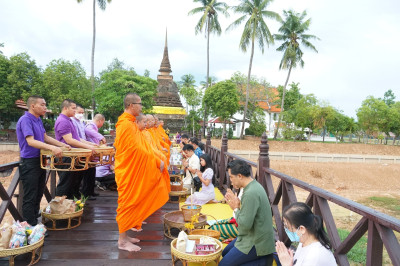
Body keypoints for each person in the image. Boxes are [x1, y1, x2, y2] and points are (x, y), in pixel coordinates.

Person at [114, 93, 170, 252]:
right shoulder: (125, 124)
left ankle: (125, 236)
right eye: (139, 104)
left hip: (134, 169)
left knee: (134, 201)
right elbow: (136, 150)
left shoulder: (131, 123)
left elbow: (144, 147)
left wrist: (156, 158)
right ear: (131, 105)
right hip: (128, 171)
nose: (141, 107)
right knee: (127, 203)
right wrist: (155, 160)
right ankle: (122, 241)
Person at [16, 95, 70, 226]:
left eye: (45, 105)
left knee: (39, 193)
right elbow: (30, 141)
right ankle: (31, 226)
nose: (45, 107)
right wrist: (52, 148)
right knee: (30, 196)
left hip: (40, 160)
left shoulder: (38, 120)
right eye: (42, 104)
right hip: (29, 162)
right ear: (33, 106)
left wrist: (60, 145)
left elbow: (45, 137)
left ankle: (36, 222)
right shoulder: (25, 120)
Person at [220, 159, 275, 266]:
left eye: (231, 177)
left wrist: (235, 209)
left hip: (256, 241)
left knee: (223, 264)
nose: (230, 180)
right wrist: (238, 205)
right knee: (225, 253)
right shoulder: (253, 185)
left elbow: (244, 225)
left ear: (240, 176)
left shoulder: (250, 192)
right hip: (251, 235)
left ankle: (263, 260)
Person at [54, 99, 97, 199]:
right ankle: (60, 209)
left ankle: (72, 207)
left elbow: (77, 139)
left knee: (74, 184)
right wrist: (88, 147)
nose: (75, 111)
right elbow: (69, 140)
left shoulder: (69, 120)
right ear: (65, 108)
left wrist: (92, 145)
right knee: (65, 184)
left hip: (72, 156)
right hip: (66, 157)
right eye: (73, 108)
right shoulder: (63, 121)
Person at [70, 104, 98, 199]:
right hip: (77, 151)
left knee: (86, 172)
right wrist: (87, 146)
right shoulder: (72, 122)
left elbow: (81, 138)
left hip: (84, 149)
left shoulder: (81, 122)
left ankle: (87, 193)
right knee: (77, 176)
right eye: (79, 112)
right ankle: (82, 194)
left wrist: (90, 145)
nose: (81, 114)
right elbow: (75, 139)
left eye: (82, 112)